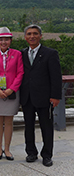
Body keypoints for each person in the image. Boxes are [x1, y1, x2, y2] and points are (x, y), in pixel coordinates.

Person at [20, 24, 62, 167]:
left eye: (35, 33)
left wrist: (56, 96)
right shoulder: (22, 53)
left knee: (46, 127)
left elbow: (56, 77)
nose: (32, 36)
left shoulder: (50, 53)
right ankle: (31, 152)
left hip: (44, 97)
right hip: (27, 97)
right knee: (28, 127)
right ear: (25, 37)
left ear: (40, 36)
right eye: (29, 34)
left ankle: (47, 155)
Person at [0, 27, 24, 161]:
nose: (4, 42)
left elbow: (20, 73)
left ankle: (7, 149)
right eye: (1, 40)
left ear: (10, 40)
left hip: (11, 92)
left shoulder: (17, 54)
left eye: (6, 39)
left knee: (9, 121)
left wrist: (11, 89)